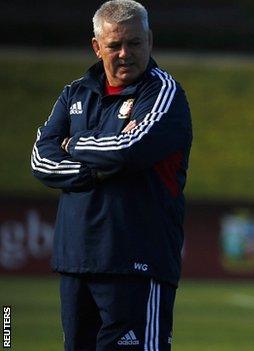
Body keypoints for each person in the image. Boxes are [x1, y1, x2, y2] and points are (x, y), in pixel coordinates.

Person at [30, 0, 192, 349]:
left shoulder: (164, 93)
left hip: (138, 263)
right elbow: (41, 160)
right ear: (96, 47)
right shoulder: (74, 92)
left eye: (134, 43)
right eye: (114, 45)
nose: (124, 53)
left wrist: (72, 144)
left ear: (149, 40)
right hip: (76, 261)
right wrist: (95, 171)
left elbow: (127, 149)